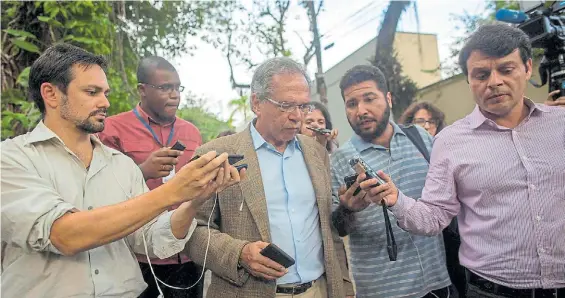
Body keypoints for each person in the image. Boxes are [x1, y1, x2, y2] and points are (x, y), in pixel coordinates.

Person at [0, 44, 244, 297]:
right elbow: (64, 235)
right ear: (50, 94)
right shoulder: (12, 158)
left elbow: (151, 239)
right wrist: (172, 191)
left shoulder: (121, 165)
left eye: (105, 92)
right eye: (92, 92)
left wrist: (194, 199)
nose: (104, 102)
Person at [364, 24, 565, 298]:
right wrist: (396, 199)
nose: (494, 82)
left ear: (528, 68)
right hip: (493, 292)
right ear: (469, 80)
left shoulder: (560, 124)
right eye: (481, 74)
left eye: (506, 69)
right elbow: (435, 215)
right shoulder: (450, 142)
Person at [184, 57, 354, 298]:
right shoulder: (215, 156)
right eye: (286, 105)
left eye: (303, 106)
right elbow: (191, 230)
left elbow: (328, 231)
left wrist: (344, 286)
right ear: (257, 102)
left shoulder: (316, 152)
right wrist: (239, 253)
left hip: (319, 290)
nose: (298, 116)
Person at [329, 64, 453, 298]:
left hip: (438, 283)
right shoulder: (339, 160)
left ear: (388, 99)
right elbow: (337, 230)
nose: (361, 110)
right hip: (382, 290)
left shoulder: (420, 138)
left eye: (369, 99)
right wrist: (347, 209)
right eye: (352, 104)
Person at [98, 56, 205, 298]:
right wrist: (142, 171)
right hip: (139, 257)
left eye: (178, 88)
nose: (175, 94)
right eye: (165, 87)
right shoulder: (112, 129)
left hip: (187, 253)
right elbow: (101, 190)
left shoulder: (191, 132)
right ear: (142, 90)